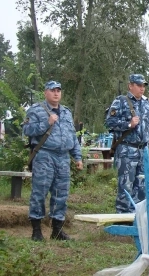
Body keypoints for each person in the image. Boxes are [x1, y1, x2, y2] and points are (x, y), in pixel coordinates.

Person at [23, 80, 83, 241]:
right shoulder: (36, 110)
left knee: (61, 194)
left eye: (58, 90)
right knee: (39, 192)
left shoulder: (66, 112)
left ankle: (57, 230)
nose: (56, 93)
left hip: (63, 157)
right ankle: (36, 231)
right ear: (45, 92)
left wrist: (77, 157)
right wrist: (46, 123)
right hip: (44, 155)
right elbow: (26, 130)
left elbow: (72, 136)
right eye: (52, 90)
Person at [105, 74, 149, 214]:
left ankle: (138, 219)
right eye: (139, 85)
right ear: (130, 86)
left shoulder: (147, 104)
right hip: (127, 149)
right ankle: (123, 220)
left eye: (143, 86)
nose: (142, 88)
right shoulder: (121, 102)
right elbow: (109, 122)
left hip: (143, 150)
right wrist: (128, 124)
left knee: (142, 186)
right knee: (126, 186)